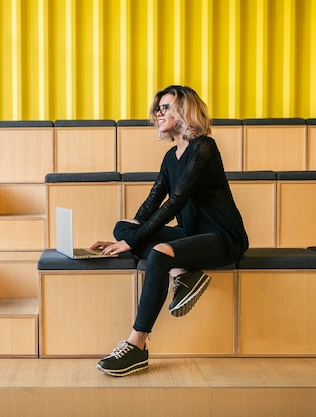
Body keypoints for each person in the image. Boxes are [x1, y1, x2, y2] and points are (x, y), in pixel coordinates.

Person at [92, 85, 249, 377]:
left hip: (222, 237)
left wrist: (132, 243)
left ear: (185, 110)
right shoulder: (170, 157)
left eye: (166, 107)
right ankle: (185, 274)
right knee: (122, 227)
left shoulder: (204, 147)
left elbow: (174, 203)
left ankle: (136, 346)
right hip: (189, 235)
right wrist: (126, 236)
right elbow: (153, 201)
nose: (158, 113)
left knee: (158, 253)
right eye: (157, 108)